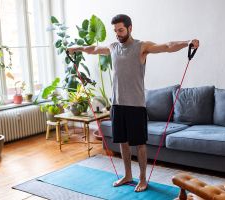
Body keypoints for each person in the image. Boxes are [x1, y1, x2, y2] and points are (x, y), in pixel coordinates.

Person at [68, 14, 199, 192]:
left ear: (130, 28)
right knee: (122, 142)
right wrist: (76, 48)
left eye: (121, 30)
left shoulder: (141, 47)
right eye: (115, 31)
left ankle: (143, 178)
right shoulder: (113, 47)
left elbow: (167, 46)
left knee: (139, 144)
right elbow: (93, 49)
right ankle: (128, 175)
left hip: (136, 105)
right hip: (117, 104)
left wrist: (187, 42)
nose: (117, 34)